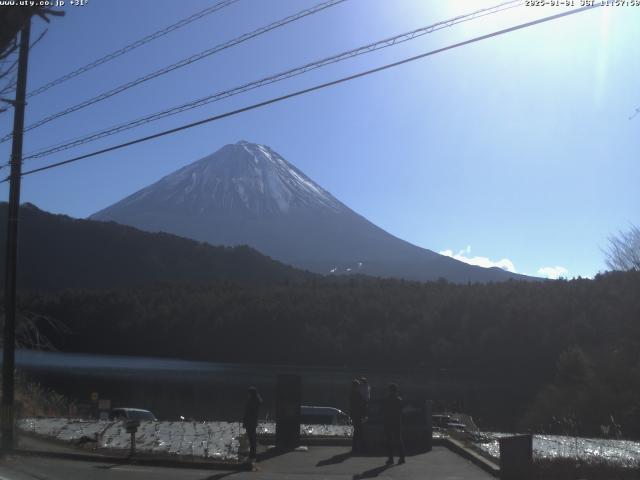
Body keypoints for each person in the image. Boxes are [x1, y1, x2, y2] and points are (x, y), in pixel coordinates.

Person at [383, 383, 405, 465]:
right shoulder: (399, 400)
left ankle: (391, 459)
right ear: (396, 391)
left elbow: (384, 411)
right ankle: (402, 457)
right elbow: (400, 412)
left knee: (389, 440)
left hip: (388, 422)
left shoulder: (386, 399)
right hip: (397, 422)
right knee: (399, 440)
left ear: (389, 391)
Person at [242, 386, 262, 460]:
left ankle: (252, 454)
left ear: (251, 393)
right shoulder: (256, 400)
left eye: (248, 393)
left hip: (250, 421)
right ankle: (252, 453)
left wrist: (245, 420)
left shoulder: (252, 401)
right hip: (253, 421)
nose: (248, 394)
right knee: (252, 437)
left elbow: (248, 413)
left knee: (251, 437)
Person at [349, 379, 366, 453]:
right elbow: (362, 404)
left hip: (354, 415)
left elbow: (350, 406)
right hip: (358, 415)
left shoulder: (351, 394)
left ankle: (355, 447)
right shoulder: (358, 394)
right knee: (359, 431)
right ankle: (358, 447)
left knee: (356, 431)